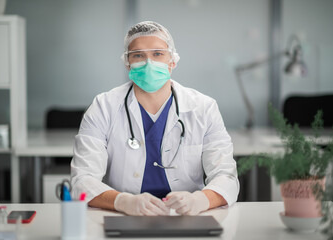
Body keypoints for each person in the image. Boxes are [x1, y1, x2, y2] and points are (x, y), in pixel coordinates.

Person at [71, 21, 239, 216]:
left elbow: (226, 177)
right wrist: (123, 201)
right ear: (127, 63)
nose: (149, 63)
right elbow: (82, 180)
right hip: (121, 214)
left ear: (173, 61)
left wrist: (200, 200)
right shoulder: (103, 107)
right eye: (138, 55)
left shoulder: (204, 108)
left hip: (188, 216)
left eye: (157, 54)